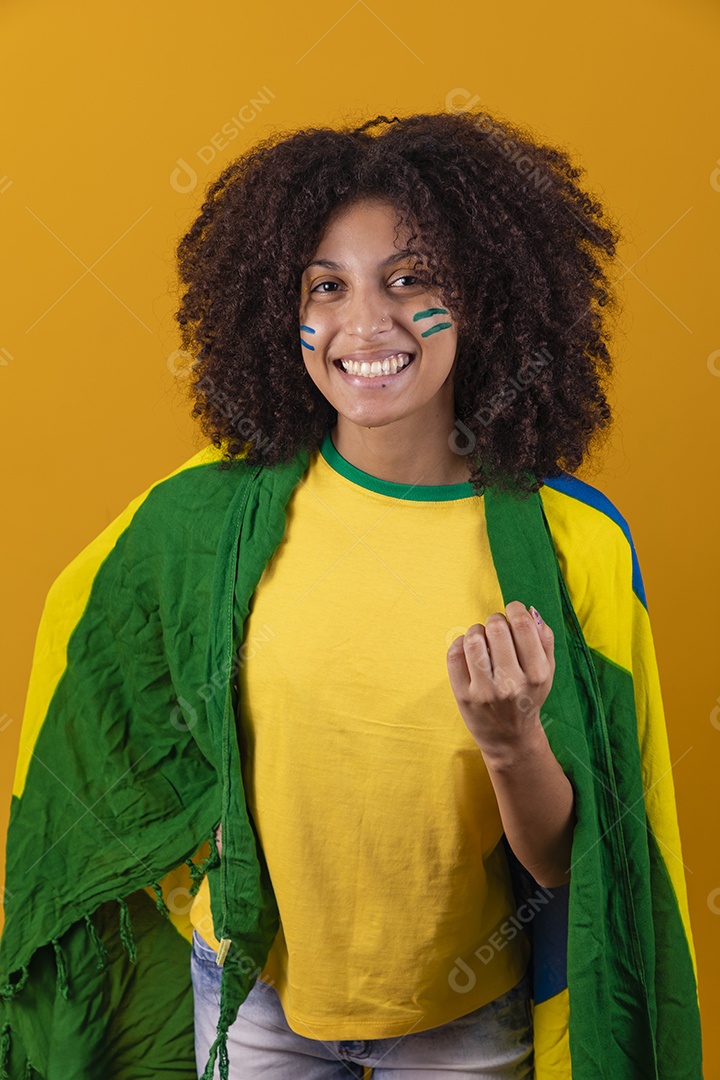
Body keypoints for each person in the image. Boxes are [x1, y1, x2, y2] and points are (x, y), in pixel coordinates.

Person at [0, 111, 702, 1080]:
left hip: (463, 1020)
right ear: (281, 313)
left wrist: (512, 740)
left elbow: (574, 876)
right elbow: (106, 704)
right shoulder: (210, 520)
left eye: (409, 279)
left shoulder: (567, 550)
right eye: (326, 287)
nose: (363, 324)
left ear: (483, 298)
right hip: (254, 1002)